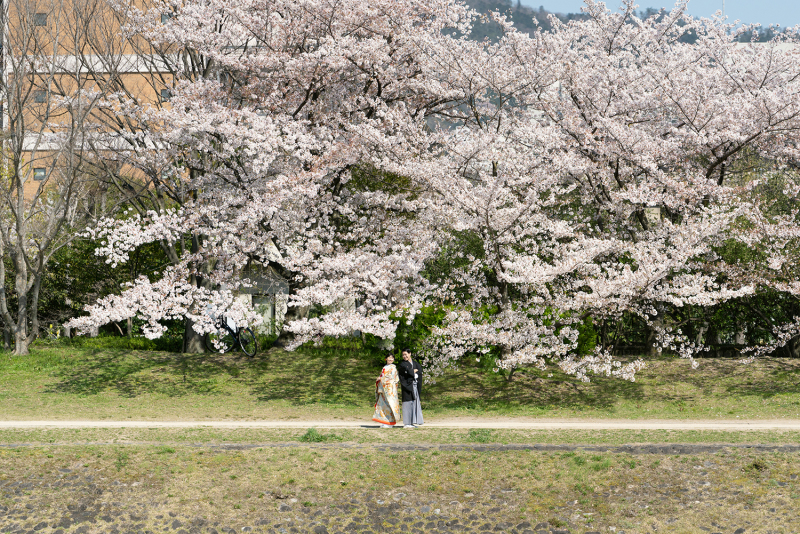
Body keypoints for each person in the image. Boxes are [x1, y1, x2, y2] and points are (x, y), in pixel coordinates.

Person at [372, 353, 401, 428]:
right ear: (386, 358)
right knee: (383, 406)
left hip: (390, 390)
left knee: (390, 405)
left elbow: (392, 378)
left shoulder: (393, 367)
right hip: (384, 389)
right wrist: (380, 379)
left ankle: (390, 422)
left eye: (392, 358)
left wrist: (381, 378)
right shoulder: (384, 367)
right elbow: (383, 376)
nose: (391, 359)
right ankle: (385, 421)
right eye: (389, 357)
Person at [398, 349, 423, 428]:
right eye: (403, 355)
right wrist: (412, 372)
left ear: (410, 354)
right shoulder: (402, 364)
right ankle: (407, 423)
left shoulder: (415, 363)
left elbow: (419, 371)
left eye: (406, 354)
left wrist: (412, 372)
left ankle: (412, 422)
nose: (404, 356)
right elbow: (404, 373)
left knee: (414, 404)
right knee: (407, 404)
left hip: (415, 386)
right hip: (407, 386)